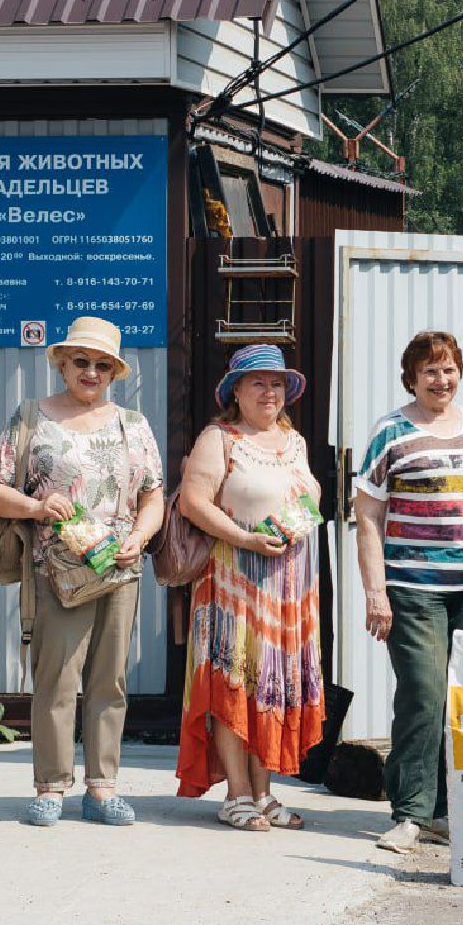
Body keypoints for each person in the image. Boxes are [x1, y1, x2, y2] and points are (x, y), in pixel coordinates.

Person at [0, 316, 164, 827]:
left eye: (102, 364)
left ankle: (102, 789)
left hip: (119, 569)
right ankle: (51, 787)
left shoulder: (133, 424)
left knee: (109, 681)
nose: (91, 372)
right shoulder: (31, 417)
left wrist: (140, 537)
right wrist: (37, 508)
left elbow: (154, 492)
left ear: (114, 371)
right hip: (56, 569)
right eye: (81, 361)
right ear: (61, 363)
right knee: (57, 679)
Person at [355, 331, 463, 854]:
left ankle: (447, 811)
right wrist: (375, 591)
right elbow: (369, 516)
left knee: (462, 701)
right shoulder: (390, 432)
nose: (440, 380)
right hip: (412, 588)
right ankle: (410, 813)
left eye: (447, 370)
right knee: (423, 695)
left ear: (459, 373)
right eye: (429, 372)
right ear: (412, 379)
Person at [174, 343, 323, 830]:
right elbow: (194, 503)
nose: (269, 391)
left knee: (273, 688)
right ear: (235, 391)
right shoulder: (220, 439)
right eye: (257, 382)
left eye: (277, 383)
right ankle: (237, 795)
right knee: (234, 685)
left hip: (288, 590)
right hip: (234, 584)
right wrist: (245, 538)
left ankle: (264, 793)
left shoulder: (294, 442)